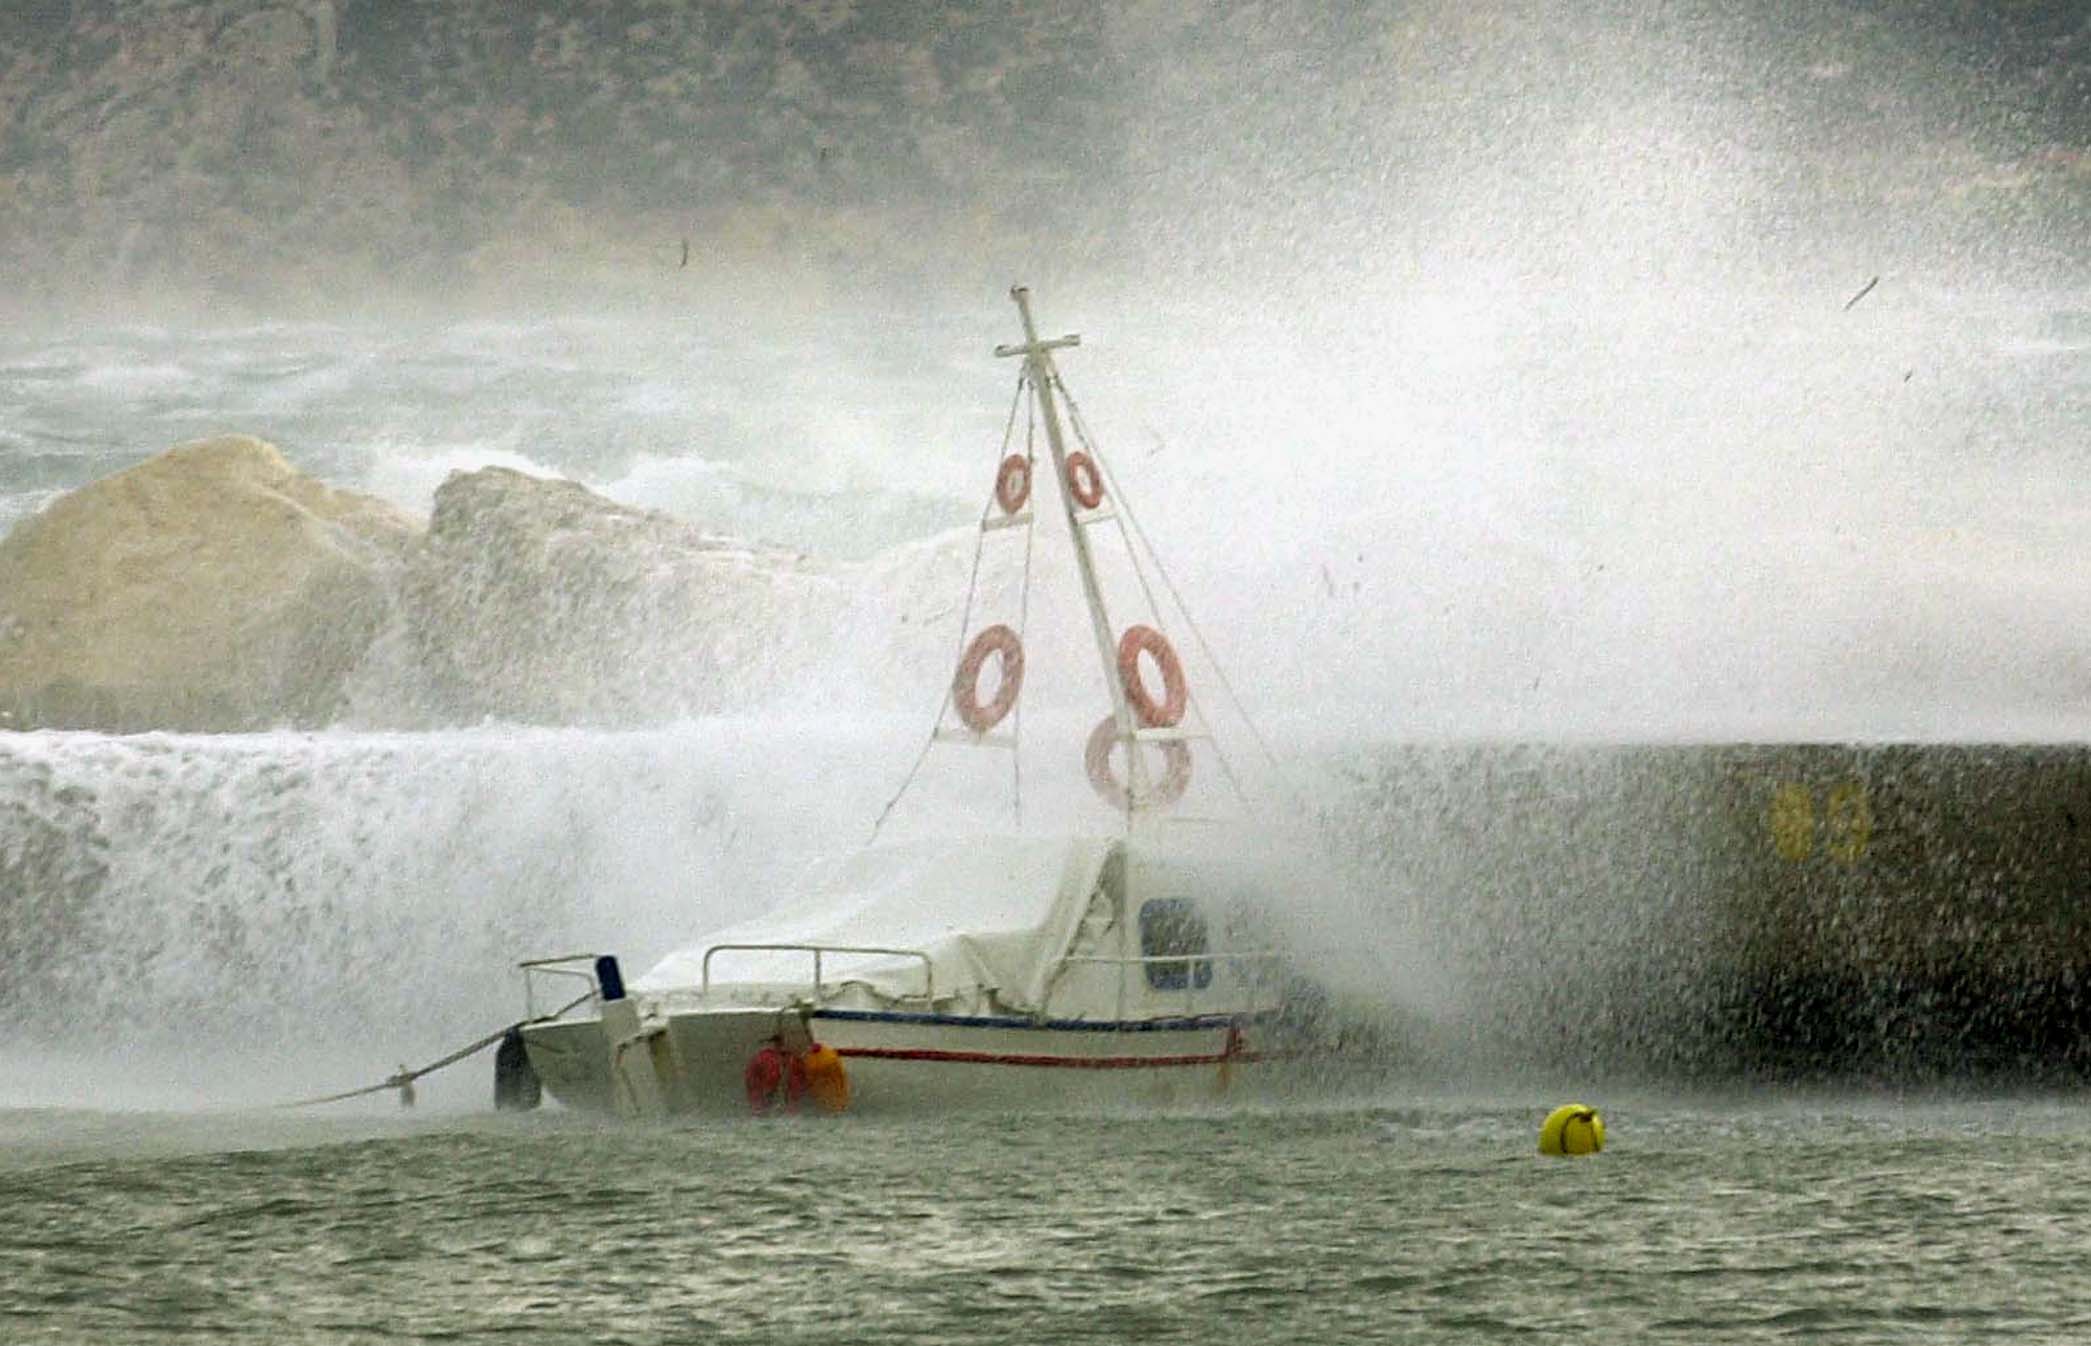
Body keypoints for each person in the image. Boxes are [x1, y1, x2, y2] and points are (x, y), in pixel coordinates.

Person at [743, 1024, 811, 1115]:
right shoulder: (793, 1059)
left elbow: (751, 1080)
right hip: (781, 1101)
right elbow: (803, 1080)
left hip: (776, 1100)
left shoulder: (763, 1058)